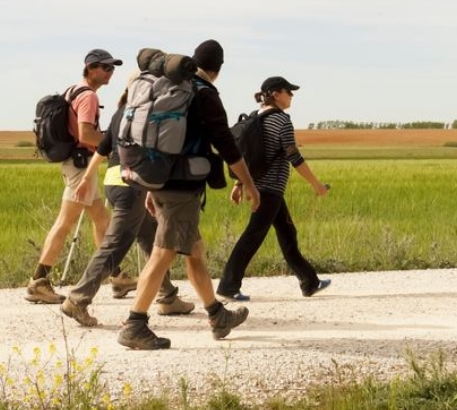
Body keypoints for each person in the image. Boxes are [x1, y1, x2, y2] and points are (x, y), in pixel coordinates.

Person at [117, 39, 261, 350]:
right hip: (181, 185)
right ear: (218, 69)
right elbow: (226, 144)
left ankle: (217, 314)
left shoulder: (173, 87)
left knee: (194, 251)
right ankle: (135, 324)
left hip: (159, 177)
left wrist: (150, 186)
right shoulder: (204, 94)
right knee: (164, 253)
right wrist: (248, 184)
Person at [60, 87, 195, 326]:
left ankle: (167, 296)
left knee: (150, 237)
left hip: (114, 182)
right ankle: (78, 299)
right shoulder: (147, 113)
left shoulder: (122, 112)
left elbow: (103, 148)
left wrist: (87, 177)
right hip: (132, 186)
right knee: (116, 245)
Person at [216, 76, 331, 302]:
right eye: (288, 92)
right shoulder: (281, 121)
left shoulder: (254, 118)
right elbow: (294, 156)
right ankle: (228, 286)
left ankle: (309, 282)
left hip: (260, 186)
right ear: (276, 94)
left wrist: (239, 183)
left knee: (288, 233)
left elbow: (249, 155)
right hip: (270, 189)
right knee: (253, 236)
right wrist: (316, 184)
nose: (292, 96)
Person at [25, 49, 122, 304]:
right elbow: (86, 135)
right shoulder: (88, 96)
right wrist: (115, 143)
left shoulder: (73, 90)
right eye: (106, 67)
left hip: (77, 164)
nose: (110, 72)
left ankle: (117, 276)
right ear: (91, 68)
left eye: (112, 68)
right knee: (65, 223)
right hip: (80, 166)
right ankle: (39, 281)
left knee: (102, 220)